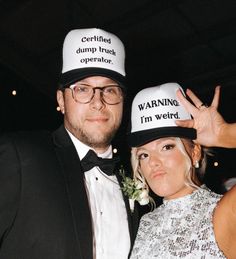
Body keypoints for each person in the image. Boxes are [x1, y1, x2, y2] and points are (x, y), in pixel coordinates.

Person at [0, 28, 137, 259]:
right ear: (61, 100)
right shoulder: (19, 156)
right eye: (82, 89)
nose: (98, 103)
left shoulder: (136, 178)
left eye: (110, 90)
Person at [127, 83, 236, 259]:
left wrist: (224, 133)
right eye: (144, 155)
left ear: (195, 152)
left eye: (166, 147)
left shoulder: (222, 212)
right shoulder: (146, 223)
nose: (153, 162)